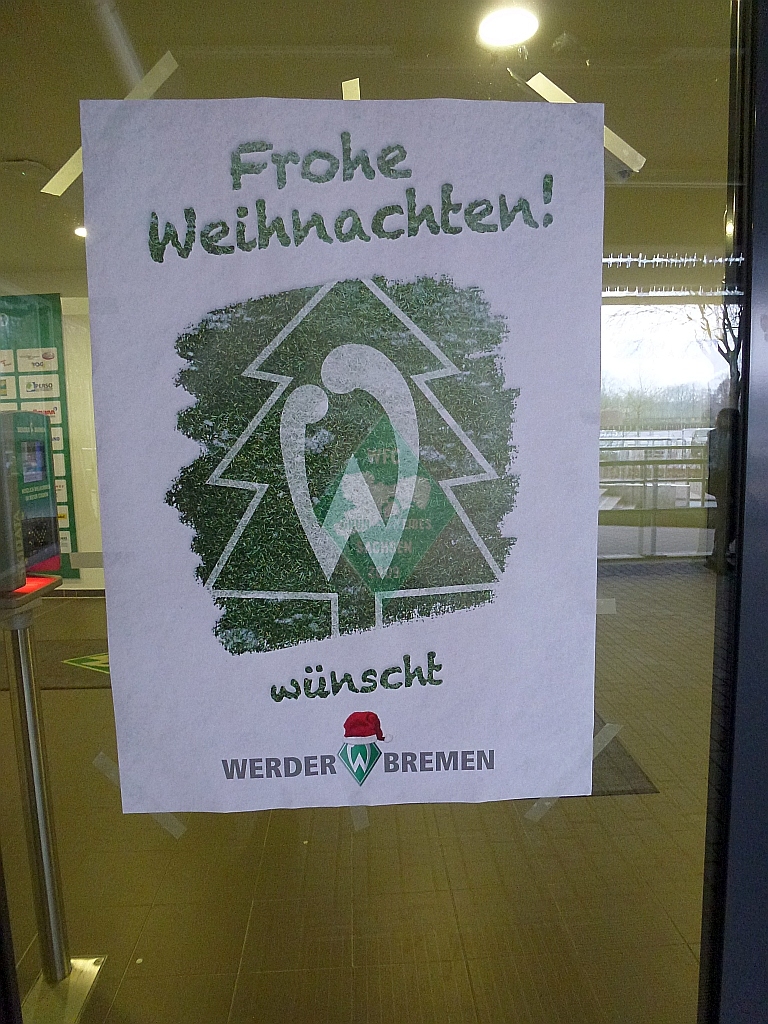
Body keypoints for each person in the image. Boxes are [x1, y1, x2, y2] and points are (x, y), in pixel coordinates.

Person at [707, 407, 739, 573]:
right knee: (728, 520)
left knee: (724, 518)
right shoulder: (732, 436)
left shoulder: (713, 435)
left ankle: (718, 554)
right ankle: (719, 555)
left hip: (719, 482)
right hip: (727, 483)